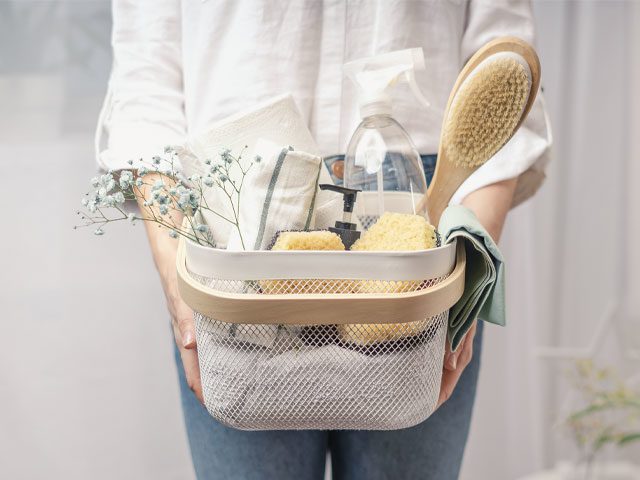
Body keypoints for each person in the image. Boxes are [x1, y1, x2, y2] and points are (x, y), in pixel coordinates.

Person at [96, 1, 551, 478]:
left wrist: (463, 271)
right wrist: (178, 277)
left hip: (416, 199)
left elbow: (502, 54)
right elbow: (147, 77)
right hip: (233, 208)